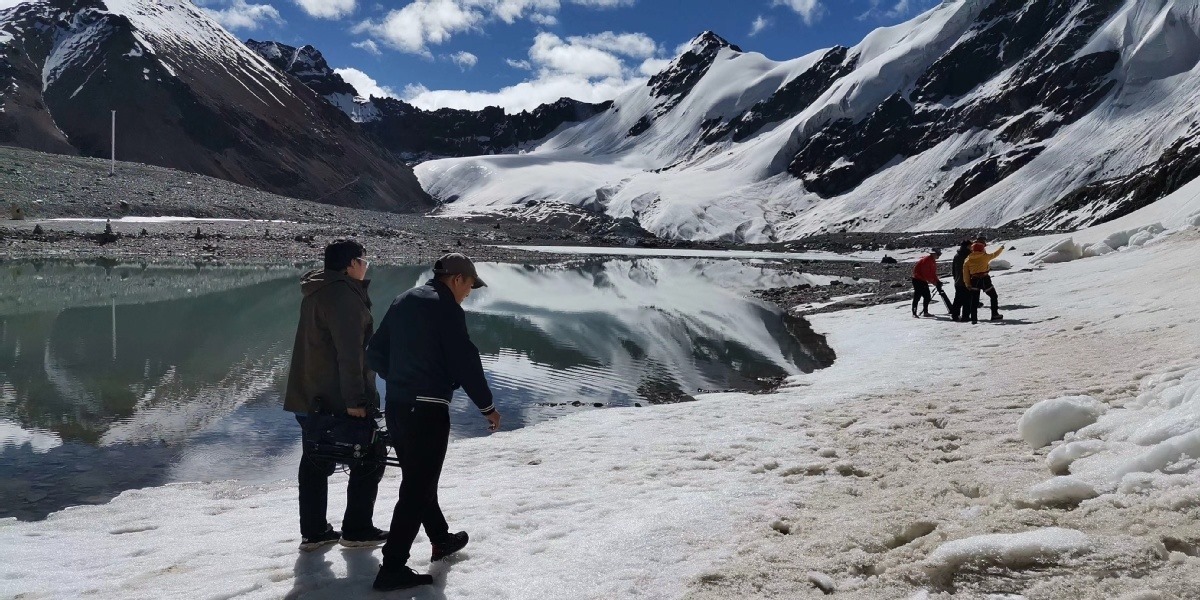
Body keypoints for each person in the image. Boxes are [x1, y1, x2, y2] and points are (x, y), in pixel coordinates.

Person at [367, 253, 502, 592]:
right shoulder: (446, 307)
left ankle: (440, 539)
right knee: (417, 487)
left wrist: (399, 379)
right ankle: (392, 568)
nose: (469, 292)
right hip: (427, 410)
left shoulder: (403, 300)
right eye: (470, 285)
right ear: (457, 279)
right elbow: (465, 361)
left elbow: (374, 353)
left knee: (419, 478)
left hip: (397, 406)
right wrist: (487, 407)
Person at [283, 239, 387, 551]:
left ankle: (314, 533)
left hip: (310, 394)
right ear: (351, 265)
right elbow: (350, 354)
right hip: (336, 398)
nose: (367, 264)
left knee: (315, 461)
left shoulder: (318, 290)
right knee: (372, 456)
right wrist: (356, 401)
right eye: (364, 259)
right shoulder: (344, 296)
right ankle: (356, 529)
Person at [962, 239, 1005, 324]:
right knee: (993, 296)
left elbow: (965, 273)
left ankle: (974, 319)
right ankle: (994, 314)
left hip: (974, 280)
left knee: (974, 300)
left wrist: (967, 284)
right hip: (985, 279)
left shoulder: (967, 260)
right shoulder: (985, 256)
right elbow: (995, 254)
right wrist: (1001, 248)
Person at [911, 248, 943, 318]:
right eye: (938, 254)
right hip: (917, 280)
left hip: (923, 280)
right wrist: (934, 283)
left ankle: (925, 312)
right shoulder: (926, 261)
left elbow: (933, 273)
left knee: (927, 297)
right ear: (934, 254)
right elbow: (926, 274)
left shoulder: (932, 261)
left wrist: (937, 281)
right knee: (917, 296)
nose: (939, 256)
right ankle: (914, 313)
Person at [950, 240, 972, 321]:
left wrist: (955, 278)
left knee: (958, 299)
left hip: (958, 281)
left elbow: (953, 269)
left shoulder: (956, 255)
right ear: (967, 246)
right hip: (966, 281)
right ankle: (965, 316)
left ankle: (955, 315)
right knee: (967, 299)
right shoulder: (969, 255)